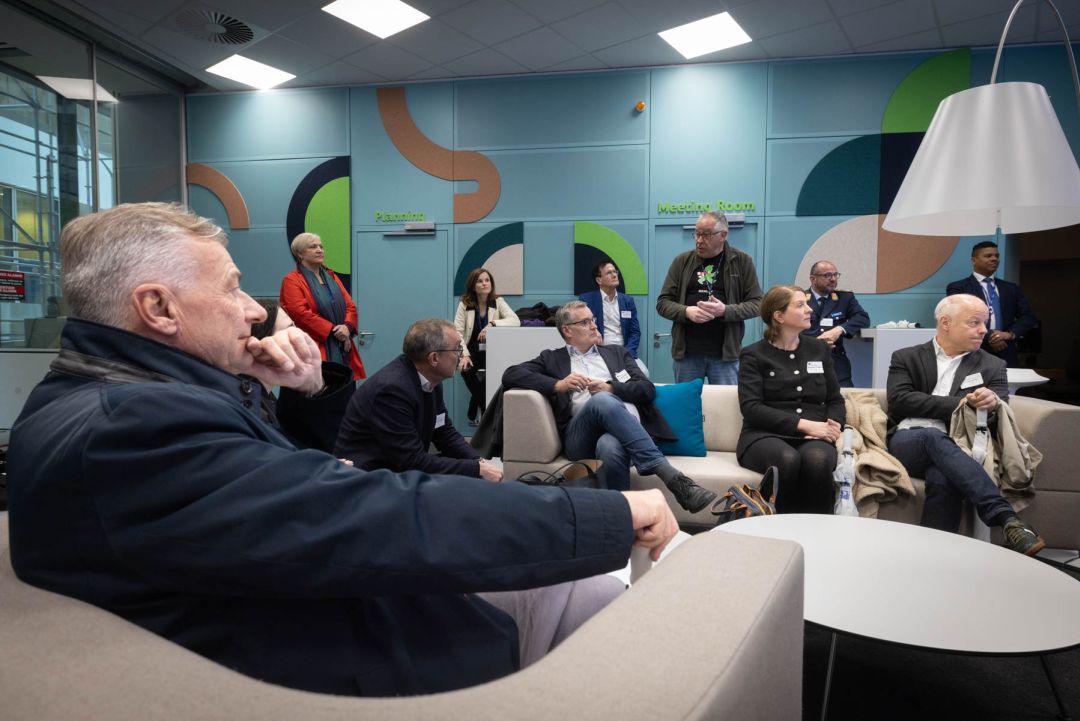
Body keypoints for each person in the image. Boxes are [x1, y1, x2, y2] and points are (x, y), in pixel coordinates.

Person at [6, 202, 679, 698]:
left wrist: (274, 384)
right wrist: (606, 514)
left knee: (587, 588)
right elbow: (377, 513)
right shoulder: (135, 431)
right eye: (232, 288)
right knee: (611, 607)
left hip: (330, 605)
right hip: (358, 651)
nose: (254, 311)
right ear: (158, 308)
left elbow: (269, 489)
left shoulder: (95, 397)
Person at [503, 300, 716, 513]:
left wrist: (611, 388)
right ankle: (670, 475)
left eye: (593, 320)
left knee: (610, 444)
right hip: (581, 437)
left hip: (625, 433)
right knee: (601, 401)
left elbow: (647, 389)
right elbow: (511, 374)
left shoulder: (616, 353)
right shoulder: (552, 358)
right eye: (585, 322)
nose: (594, 326)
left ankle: (618, 516)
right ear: (567, 330)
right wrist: (558, 384)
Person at [886, 293, 1044, 555]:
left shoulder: (993, 365)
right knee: (931, 436)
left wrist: (990, 405)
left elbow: (996, 418)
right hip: (909, 439)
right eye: (974, 322)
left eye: (984, 323)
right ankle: (1005, 516)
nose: (983, 330)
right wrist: (962, 404)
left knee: (943, 477)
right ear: (945, 323)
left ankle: (934, 556)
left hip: (961, 444)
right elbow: (901, 401)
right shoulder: (907, 357)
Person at [336, 318, 503, 481]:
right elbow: (411, 461)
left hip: (397, 467)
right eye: (457, 349)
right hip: (367, 478)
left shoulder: (431, 379)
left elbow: (444, 432)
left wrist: (478, 461)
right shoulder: (392, 391)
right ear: (434, 358)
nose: (461, 355)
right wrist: (475, 469)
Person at [737, 285, 845, 514]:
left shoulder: (819, 349)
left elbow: (835, 400)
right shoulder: (753, 354)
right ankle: (776, 525)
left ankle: (819, 528)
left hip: (816, 435)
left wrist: (832, 426)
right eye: (800, 305)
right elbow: (751, 408)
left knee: (818, 460)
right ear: (779, 316)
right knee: (787, 459)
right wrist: (806, 426)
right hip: (764, 435)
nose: (809, 309)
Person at [657, 211, 763, 385]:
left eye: (706, 235)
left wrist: (725, 311)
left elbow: (757, 304)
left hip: (725, 357)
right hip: (687, 355)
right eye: (697, 234)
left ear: (723, 235)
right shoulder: (681, 261)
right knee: (686, 401)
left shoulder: (742, 261)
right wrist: (686, 312)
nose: (699, 240)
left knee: (724, 402)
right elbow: (663, 303)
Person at [251, 298, 355, 453]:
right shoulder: (254, 410)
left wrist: (315, 386)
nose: (302, 336)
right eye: (290, 331)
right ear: (262, 345)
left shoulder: (265, 396)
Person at [279, 232, 366, 380]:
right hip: (313, 349)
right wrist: (335, 331)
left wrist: (347, 327)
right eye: (313, 247)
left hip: (342, 347)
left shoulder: (331, 276)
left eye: (321, 246)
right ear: (300, 254)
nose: (319, 250)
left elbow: (350, 306)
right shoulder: (292, 280)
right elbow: (300, 314)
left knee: (345, 389)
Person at [945, 241, 1037, 367]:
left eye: (996, 256)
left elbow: (1028, 317)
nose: (994, 259)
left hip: (1006, 350)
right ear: (974, 260)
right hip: (973, 351)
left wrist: (1009, 334)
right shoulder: (959, 288)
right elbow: (960, 317)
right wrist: (991, 336)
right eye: (988, 256)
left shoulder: (1010, 288)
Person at [454, 267, 519, 425]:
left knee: (492, 377)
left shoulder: (498, 302)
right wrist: (464, 355)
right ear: (473, 286)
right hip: (471, 351)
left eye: (487, 280)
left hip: (492, 352)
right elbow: (457, 331)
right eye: (480, 281)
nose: (484, 284)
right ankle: (484, 406)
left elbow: (515, 320)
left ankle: (476, 403)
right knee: (466, 371)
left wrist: (492, 324)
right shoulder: (465, 304)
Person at [802, 260, 870, 387]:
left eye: (835, 275)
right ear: (813, 279)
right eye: (827, 275)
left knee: (845, 397)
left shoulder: (844, 298)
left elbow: (862, 318)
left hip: (836, 366)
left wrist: (839, 329)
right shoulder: (800, 299)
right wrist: (815, 343)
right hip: (805, 360)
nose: (833, 279)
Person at [579, 259, 641, 359]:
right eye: (609, 273)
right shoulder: (587, 300)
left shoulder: (628, 301)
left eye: (615, 272)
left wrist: (628, 353)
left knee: (642, 369)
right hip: (598, 354)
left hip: (624, 353)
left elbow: (635, 332)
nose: (614, 275)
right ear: (599, 280)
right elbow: (583, 330)